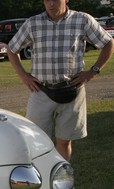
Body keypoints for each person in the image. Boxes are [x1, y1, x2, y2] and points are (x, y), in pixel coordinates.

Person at [7, 0, 114, 162]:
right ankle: (43, 176)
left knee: (64, 141)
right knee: (36, 140)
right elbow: (12, 49)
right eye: (47, 0)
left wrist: (93, 71)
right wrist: (23, 75)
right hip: (41, 92)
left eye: (56, 0)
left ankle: (61, 178)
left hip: (72, 91)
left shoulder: (82, 20)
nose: (51, 4)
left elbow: (108, 43)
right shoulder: (33, 23)